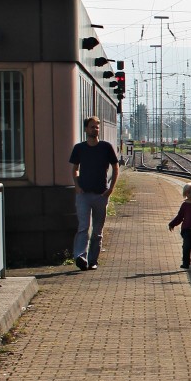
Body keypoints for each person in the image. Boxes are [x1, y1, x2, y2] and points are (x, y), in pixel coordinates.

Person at [69, 115, 120, 271]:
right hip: (83, 194)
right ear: (86, 129)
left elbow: (115, 167)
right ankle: (80, 257)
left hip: (100, 195)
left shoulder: (106, 147)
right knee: (84, 226)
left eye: (97, 127)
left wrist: (111, 188)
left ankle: (93, 260)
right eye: (92, 127)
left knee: (97, 230)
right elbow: (75, 168)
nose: (95, 129)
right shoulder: (79, 148)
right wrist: (76, 186)